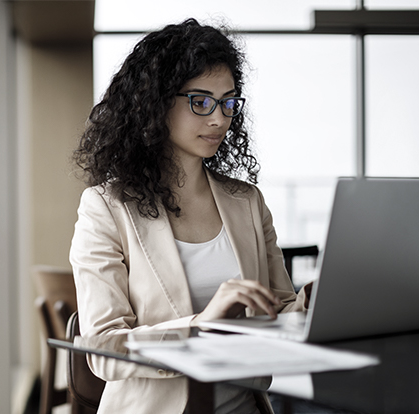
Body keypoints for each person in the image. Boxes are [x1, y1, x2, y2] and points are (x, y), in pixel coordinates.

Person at [69, 19, 310, 414]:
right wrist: (202, 323)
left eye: (229, 102)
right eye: (201, 101)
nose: (219, 119)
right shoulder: (106, 208)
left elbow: (280, 312)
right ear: (156, 102)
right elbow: (105, 350)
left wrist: (311, 305)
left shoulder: (247, 202)